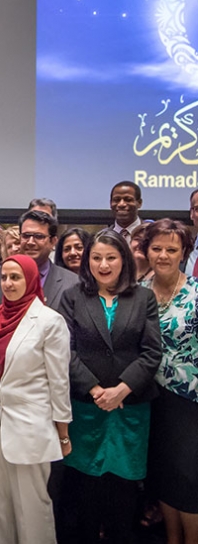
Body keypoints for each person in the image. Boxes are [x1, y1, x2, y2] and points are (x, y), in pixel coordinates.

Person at [57, 229, 161, 544]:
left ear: (123, 260)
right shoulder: (73, 296)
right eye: (97, 257)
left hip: (130, 408)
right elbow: (65, 351)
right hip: (87, 408)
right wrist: (95, 389)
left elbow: (152, 351)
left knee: (124, 489)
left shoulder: (144, 297)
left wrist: (121, 389)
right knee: (86, 489)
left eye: (111, 257)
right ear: (88, 261)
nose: (104, 264)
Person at [0, 255, 72, 544]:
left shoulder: (49, 321)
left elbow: (59, 382)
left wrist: (63, 434)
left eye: (15, 277)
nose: (8, 283)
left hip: (31, 429)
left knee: (32, 511)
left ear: (31, 280)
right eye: (4, 277)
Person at [141, 219, 198, 544]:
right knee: (162, 474)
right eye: (157, 248)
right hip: (148, 397)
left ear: (183, 253)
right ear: (147, 251)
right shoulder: (136, 292)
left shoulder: (196, 292)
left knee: (188, 478)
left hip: (189, 400)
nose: (163, 255)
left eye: (171, 249)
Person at [0, 210, 77, 309]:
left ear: (53, 241)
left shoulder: (72, 282)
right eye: (26, 236)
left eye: (38, 236)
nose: (30, 242)